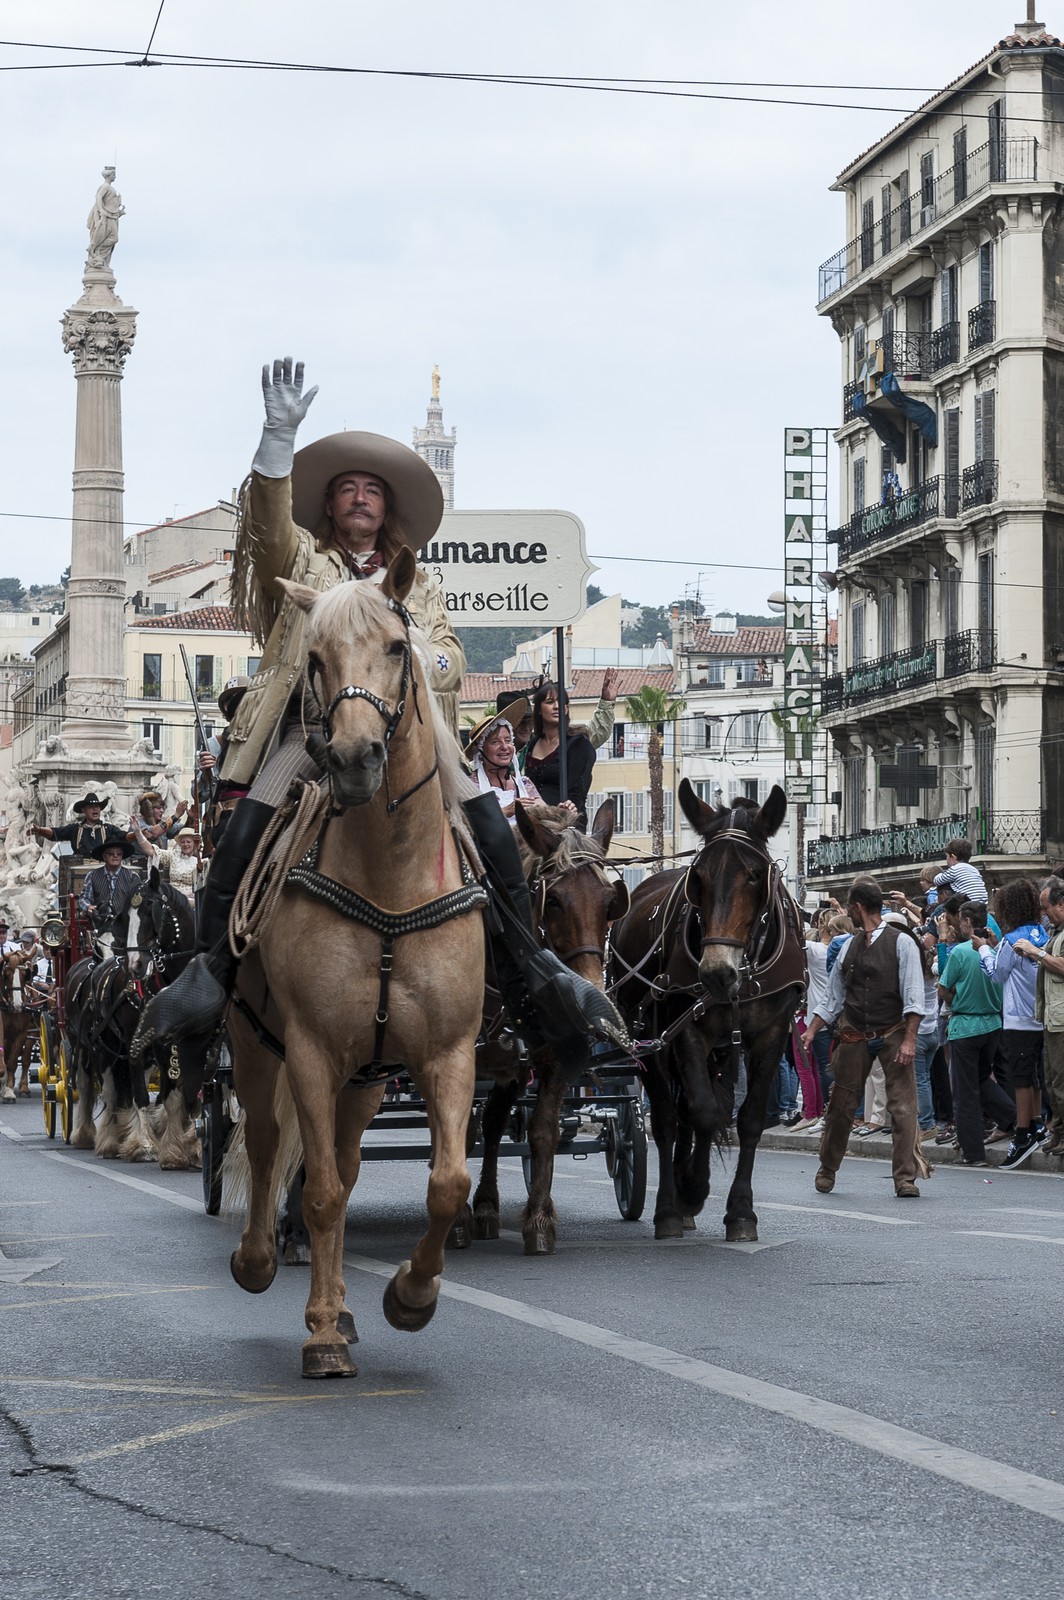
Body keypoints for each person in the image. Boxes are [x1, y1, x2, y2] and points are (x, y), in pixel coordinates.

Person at [147, 357, 624, 1066]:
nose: (361, 499)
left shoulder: (417, 581)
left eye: (373, 490)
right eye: (347, 489)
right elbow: (266, 531)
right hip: (315, 727)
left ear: (387, 506)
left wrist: (415, 652)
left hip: (408, 729)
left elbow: (453, 659)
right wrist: (277, 442)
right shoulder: (305, 566)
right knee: (245, 829)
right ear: (331, 507)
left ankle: (530, 970)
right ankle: (209, 973)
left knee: (490, 824)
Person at [801, 874, 926, 1198]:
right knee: (841, 1106)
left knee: (902, 1107)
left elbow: (914, 996)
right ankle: (827, 1168)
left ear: (857, 908)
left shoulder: (902, 942)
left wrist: (910, 1040)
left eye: (851, 909)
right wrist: (813, 1030)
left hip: (894, 1030)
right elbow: (833, 997)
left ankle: (905, 1178)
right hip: (854, 1031)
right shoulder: (849, 946)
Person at [978, 878, 1048, 1168]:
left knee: (1020, 1077)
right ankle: (1035, 1123)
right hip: (1041, 1016)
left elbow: (996, 973)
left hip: (1019, 1018)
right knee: (1034, 1076)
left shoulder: (1011, 939)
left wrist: (983, 949)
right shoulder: (1042, 932)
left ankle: (1022, 1135)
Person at [937, 901, 1011, 1166]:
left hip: (966, 1026)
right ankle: (1013, 1117)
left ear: (967, 921)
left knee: (965, 1091)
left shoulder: (961, 952)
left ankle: (973, 1153)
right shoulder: (997, 949)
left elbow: (943, 989)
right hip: (993, 1024)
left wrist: (956, 998)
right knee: (981, 1078)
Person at [1017, 876, 1064, 1154]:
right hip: (1051, 1017)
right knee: (1051, 1079)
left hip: (1061, 1019)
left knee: (1061, 1079)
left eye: (1047, 907)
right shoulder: (1056, 932)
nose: (1044, 914)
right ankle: (1057, 1131)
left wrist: (1036, 952)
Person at [465, 702, 554, 824]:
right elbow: (466, 823)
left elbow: (545, 814)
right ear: (480, 749)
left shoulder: (524, 785)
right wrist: (505, 811)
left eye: (507, 740)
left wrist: (562, 811)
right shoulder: (470, 787)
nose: (504, 747)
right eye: (495, 742)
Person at [524, 682, 596, 816]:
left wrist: (565, 811)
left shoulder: (578, 743)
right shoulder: (532, 743)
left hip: (565, 821)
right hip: (534, 820)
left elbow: (577, 790)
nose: (556, 707)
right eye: (550, 702)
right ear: (539, 709)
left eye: (561, 702)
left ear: (566, 709)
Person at [197, 677, 251, 846]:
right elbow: (199, 795)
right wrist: (205, 776)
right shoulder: (215, 744)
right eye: (232, 701)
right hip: (226, 820)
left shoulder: (267, 739)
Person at [77, 838, 144, 955]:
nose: (115, 856)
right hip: (100, 925)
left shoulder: (133, 877)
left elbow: (138, 902)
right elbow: (83, 898)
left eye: (119, 854)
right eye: (111, 853)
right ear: (104, 857)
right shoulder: (92, 876)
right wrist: (88, 907)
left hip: (125, 926)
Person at [30, 792, 124, 858]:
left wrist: (137, 833)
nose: (95, 809)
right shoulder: (75, 829)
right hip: (80, 870)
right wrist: (40, 830)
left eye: (97, 807)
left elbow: (125, 836)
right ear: (84, 810)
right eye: (91, 807)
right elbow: (55, 833)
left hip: (102, 870)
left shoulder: (109, 829)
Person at [132, 822, 200, 902]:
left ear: (194, 843)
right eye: (183, 842)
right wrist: (138, 833)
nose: (185, 844)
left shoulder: (201, 861)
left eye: (188, 842)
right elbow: (151, 850)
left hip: (193, 900)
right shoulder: (174, 855)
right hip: (173, 898)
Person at [933, 837, 988, 904]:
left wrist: (939, 874)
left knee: (940, 909)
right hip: (982, 903)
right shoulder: (974, 869)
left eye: (947, 856)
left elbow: (937, 881)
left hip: (967, 903)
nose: (946, 860)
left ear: (953, 857)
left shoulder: (954, 869)